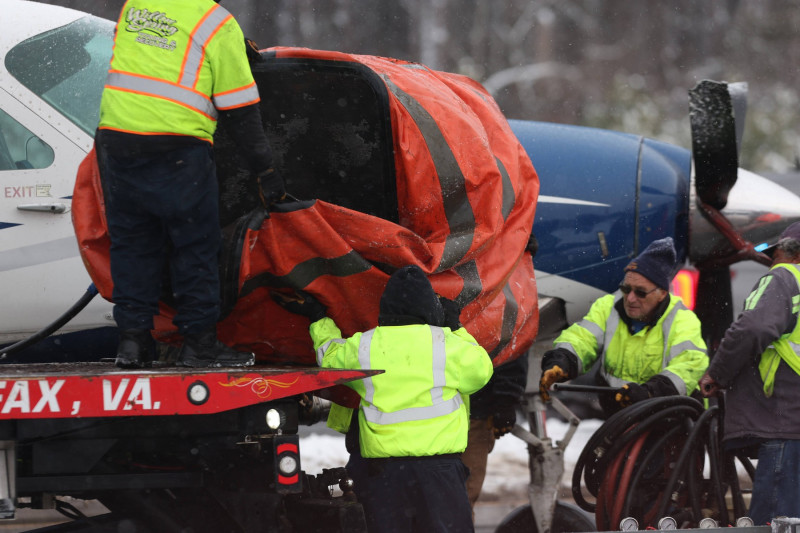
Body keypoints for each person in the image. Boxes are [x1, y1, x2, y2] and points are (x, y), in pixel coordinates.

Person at [95, 0, 284, 368]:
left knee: (133, 242)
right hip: (177, 147)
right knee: (194, 246)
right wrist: (265, 170)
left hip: (118, 141)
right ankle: (199, 345)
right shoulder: (217, 23)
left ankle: (132, 344)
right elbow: (241, 109)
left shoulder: (135, 6)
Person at [276, 265, 494, 533]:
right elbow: (482, 371)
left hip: (383, 476)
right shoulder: (448, 344)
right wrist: (456, 326)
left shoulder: (365, 346)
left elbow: (329, 358)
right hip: (440, 473)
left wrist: (318, 317)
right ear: (430, 308)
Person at [699, 221, 800, 524]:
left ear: (788, 252)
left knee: (774, 523)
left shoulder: (785, 277)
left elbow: (752, 327)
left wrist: (717, 374)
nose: (771, 262)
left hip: (783, 423)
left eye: (774, 255)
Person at [539, 237, 708, 415]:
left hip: (670, 419)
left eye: (640, 292)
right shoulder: (607, 307)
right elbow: (583, 339)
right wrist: (562, 360)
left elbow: (689, 366)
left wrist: (650, 392)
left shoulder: (682, 320)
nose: (630, 298)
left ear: (662, 294)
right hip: (619, 416)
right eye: (626, 289)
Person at [461, 357, 527, 510]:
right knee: (456, 499)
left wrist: (505, 399)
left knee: (459, 498)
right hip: (468, 409)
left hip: (471, 412)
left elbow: (510, 346)